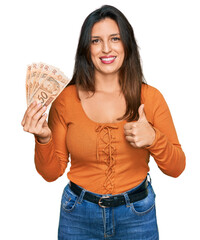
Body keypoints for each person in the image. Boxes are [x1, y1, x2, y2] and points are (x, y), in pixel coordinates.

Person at [21, 5, 186, 240]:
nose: (106, 48)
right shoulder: (65, 100)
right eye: (96, 41)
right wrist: (43, 138)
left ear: (126, 44)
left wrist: (153, 138)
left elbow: (177, 168)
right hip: (77, 215)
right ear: (86, 49)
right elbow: (51, 173)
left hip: (137, 214)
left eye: (115, 38)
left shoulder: (151, 98)